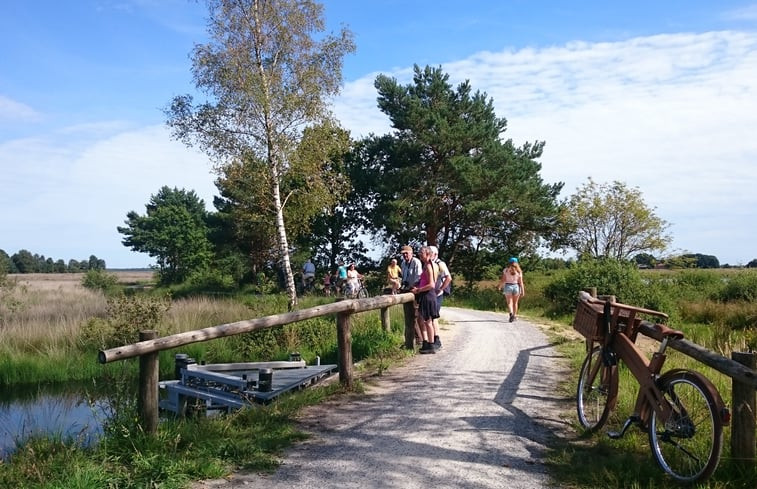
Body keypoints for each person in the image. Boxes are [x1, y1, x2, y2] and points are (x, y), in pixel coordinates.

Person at [411, 246, 439, 353]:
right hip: (426, 295)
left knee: (428, 321)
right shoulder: (426, 265)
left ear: (427, 254)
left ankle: (431, 345)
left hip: (428, 295)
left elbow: (431, 284)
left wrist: (418, 290)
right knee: (422, 319)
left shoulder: (428, 266)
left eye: (421, 253)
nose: (419, 255)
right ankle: (426, 343)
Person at [399, 245, 423, 348]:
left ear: (411, 253)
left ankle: (418, 339)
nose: (405, 255)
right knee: (408, 315)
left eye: (406, 253)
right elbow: (404, 277)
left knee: (414, 315)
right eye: (403, 253)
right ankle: (410, 339)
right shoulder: (403, 263)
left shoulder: (416, 262)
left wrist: (412, 288)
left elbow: (418, 277)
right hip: (406, 290)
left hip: (414, 291)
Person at [429, 246, 451, 349]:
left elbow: (448, 278)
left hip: (437, 295)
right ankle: (432, 339)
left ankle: (437, 340)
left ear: (435, 254)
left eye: (430, 253)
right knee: (430, 317)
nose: (429, 255)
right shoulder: (430, 264)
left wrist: (441, 289)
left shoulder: (440, 264)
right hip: (431, 294)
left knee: (434, 317)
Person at [498, 257, 525, 322]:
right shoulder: (519, 271)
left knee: (509, 302)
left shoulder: (506, 270)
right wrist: (523, 291)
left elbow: (503, 279)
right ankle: (514, 316)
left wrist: (500, 286)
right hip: (516, 287)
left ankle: (511, 314)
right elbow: (521, 282)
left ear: (509, 262)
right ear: (517, 263)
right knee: (515, 303)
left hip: (508, 286)